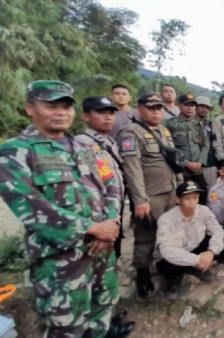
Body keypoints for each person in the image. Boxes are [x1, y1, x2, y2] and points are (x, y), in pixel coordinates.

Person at [0, 80, 133, 337]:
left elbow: (111, 183)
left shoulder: (87, 148)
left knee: (102, 308)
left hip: (103, 250)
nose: (61, 112)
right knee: (66, 324)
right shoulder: (15, 152)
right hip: (61, 260)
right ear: (30, 108)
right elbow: (32, 208)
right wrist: (94, 229)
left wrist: (111, 223)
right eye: (51, 105)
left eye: (66, 106)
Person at [119, 93, 182, 299]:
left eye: (159, 108)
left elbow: (173, 160)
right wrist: (140, 200)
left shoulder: (163, 129)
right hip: (150, 196)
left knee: (171, 233)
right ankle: (142, 274)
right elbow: (132, 169)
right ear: (139, 109)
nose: (156, 112)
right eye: (151, 108)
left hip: (170, 191)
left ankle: (168, 270)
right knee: (146, 236)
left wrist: (180, 187)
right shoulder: (131, 133)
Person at [76, 96, 127, 258]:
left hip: (114, 210)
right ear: (86, 116)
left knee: (113, 256)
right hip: (98, 216)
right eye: (101, 113)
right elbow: (85, 190)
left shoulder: (110, 142)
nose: (108, 117)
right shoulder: (82, 144)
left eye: (111, 113)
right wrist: (102, 225)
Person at [155, 181, 224, 294]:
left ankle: (197, 269)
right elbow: (167, 250)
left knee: (219, 240)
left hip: (196, 248)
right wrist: (197, 261)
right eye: (187, 199)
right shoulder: (166, 219)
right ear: (178, 200)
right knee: (168, 267)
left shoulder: (203, 210)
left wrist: (211, 252)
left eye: (195, 198)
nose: (192, 202)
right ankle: (174, 281)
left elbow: (217, 230)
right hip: (175, 256)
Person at [165, 93, 209, 204]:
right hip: (181, 172)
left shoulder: (198, 124)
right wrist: (187, 163)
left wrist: (200, 162)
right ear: (179, 105)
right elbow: (168, 149)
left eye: (193, 105)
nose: (190, 108)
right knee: (183, 201)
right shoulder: (170, 124)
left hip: (198, 170)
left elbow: (205, 145)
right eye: (187, 105)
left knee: (202, 199)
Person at [195, 96, 218, 190]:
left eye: (206, 107)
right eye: (201, 106)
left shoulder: (211, 124)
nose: (204, 109)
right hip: (194, 165)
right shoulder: (189, 124)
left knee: (211, 192)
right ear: (195, 107)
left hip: (210, 164)